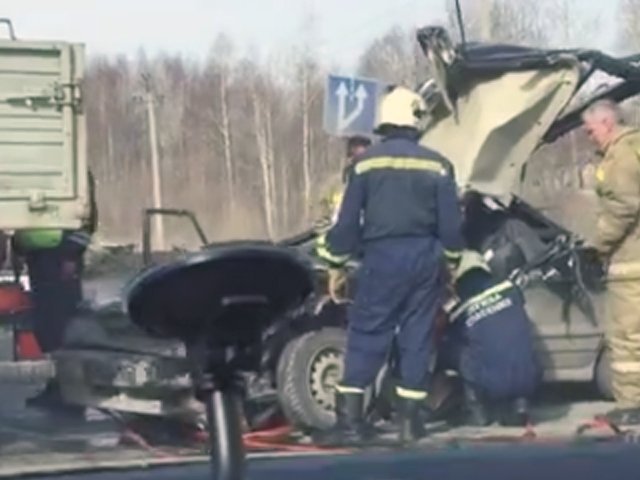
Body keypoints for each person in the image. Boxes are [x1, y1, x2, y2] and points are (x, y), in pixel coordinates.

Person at [314, 85, 464, 445]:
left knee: (368, 334)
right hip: (424, 260)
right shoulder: (439, 165)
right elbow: (451, 227)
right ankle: (410, 423)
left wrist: (334, 264)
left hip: (381, 258)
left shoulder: (366, 163)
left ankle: (349, 422)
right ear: (415, 121)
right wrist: (453, 263)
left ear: (384, 122)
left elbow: (348, 224)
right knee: (417, 338)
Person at [14, 170, 98, 410]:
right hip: (39, 256)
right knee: (46, 325)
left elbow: (84, 215)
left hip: (61, 257)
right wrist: (18, 246)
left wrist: (72, 253)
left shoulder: (70, 169)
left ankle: (71, 391)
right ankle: (59, 385)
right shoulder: (31, 171)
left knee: (63, 325)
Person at [581, 99, 640, 425]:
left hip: (631, 262)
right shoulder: (634, 148)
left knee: (627, 337)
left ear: (606, 123)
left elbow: (623, 207)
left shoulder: (621, 155)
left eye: (590, 130)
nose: (590, 137)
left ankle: (632, 405)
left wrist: (596, 247)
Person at [439, 250, 542, 427]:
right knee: (514, 340)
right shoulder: (510, 289)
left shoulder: (461, 310)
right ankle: (519, 405)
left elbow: (449, 335)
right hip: (529, 378)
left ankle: (477, 411)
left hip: (492, 382)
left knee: (454, 349)